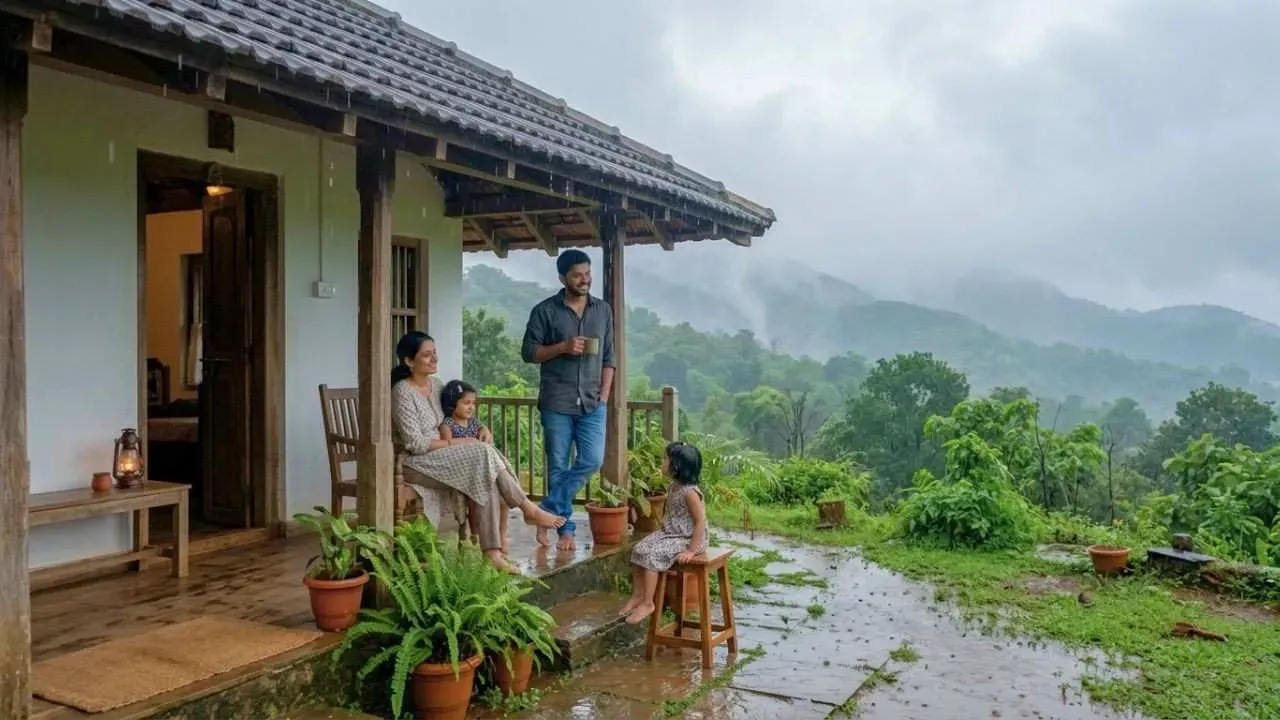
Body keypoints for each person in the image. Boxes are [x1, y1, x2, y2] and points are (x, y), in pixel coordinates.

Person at [390, 331, 564, 571]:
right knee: (482, 454)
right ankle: (527, 508)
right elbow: (415, 444)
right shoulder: (402, 392)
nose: (434, 359)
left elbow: (456, 417)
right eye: (427, 355)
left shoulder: (437, 384)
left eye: (435, 353)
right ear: (409, 361)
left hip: (446, 458)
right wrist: (460, 443)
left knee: (487, 472)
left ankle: (493, 553)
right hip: (417, 463)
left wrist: (481, 428)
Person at [522, 249, 614, 551]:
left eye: (587, 273)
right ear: (563, 278)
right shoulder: (545, 311)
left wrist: (604, 396)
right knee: (558, 467)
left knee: (592, 460)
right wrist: (561, 347)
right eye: (577, 275)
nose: (585, 279)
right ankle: (565, 531)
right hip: (556, 401)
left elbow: (609, 357)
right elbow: (529, 353)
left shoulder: (602, 311)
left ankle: (544, 511)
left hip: (592, 403)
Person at [618, 442, 708, 625]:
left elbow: (700, 522)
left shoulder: (690, 493)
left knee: (653, 555)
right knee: (638, 549)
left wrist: (691, 550)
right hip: (671, 533)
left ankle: (648, 603)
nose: (663, 462)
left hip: (689, 538)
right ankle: (638, 595)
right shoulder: (673, 487)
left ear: (676, 467)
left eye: (666, 459)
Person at [439, 379, 508, 554]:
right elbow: (446, 447)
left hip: (481, 469)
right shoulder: (448, 425)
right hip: (464, 470)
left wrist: (486, 431)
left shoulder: (475, 424)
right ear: (453, 404)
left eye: (473, 403)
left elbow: (485, 435)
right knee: (477, 496)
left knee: (502, 496)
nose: (471, 407)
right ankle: (475, 534)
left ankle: (501, 534)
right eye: (466, 403)